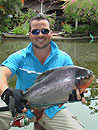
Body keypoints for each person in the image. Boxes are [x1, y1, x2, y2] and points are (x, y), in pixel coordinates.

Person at [0, 16, 86, 130]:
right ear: (30, 34)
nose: (40, 35)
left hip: (52, 110)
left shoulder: (64, 59)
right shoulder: (19, 56)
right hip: (21, 106)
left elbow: (71, 86)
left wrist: (77, 93)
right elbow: (2, 72)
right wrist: (6, 92)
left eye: (44, 31)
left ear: (51, 33)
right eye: (35, 31)